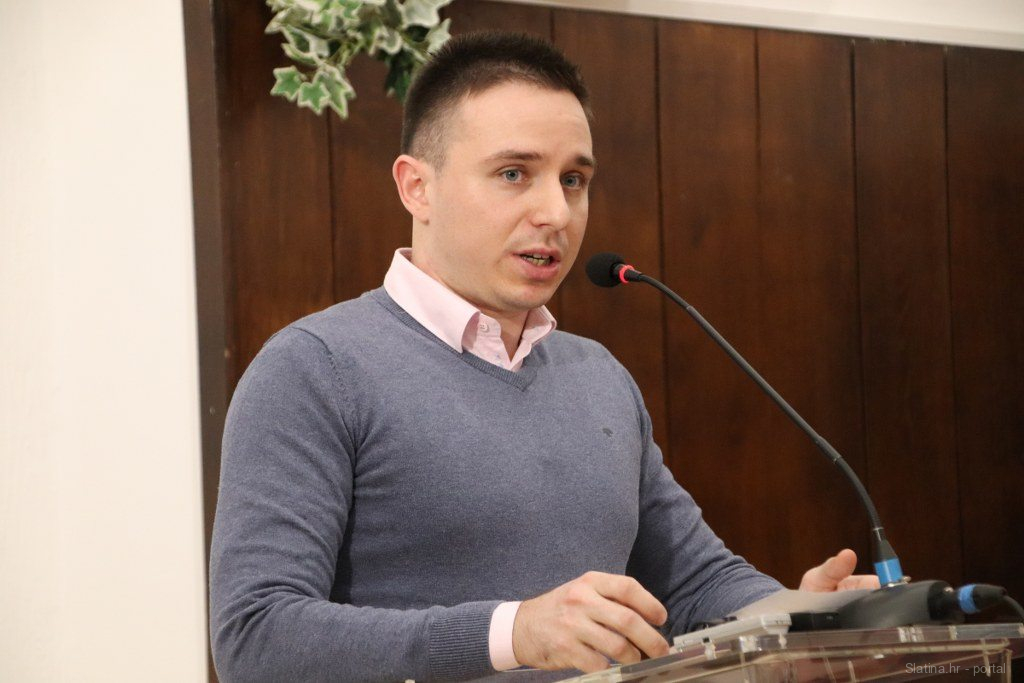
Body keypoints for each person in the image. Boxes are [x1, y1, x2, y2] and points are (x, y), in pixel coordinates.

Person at [209, 31, 878, 683]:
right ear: (417, 187)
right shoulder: (315, 368)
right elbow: (255, 636)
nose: (557, 211)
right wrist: (513, 633)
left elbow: (694, 582)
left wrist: (802, 614)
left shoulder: (598, 376)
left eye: (574, 179)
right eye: (513, 174)